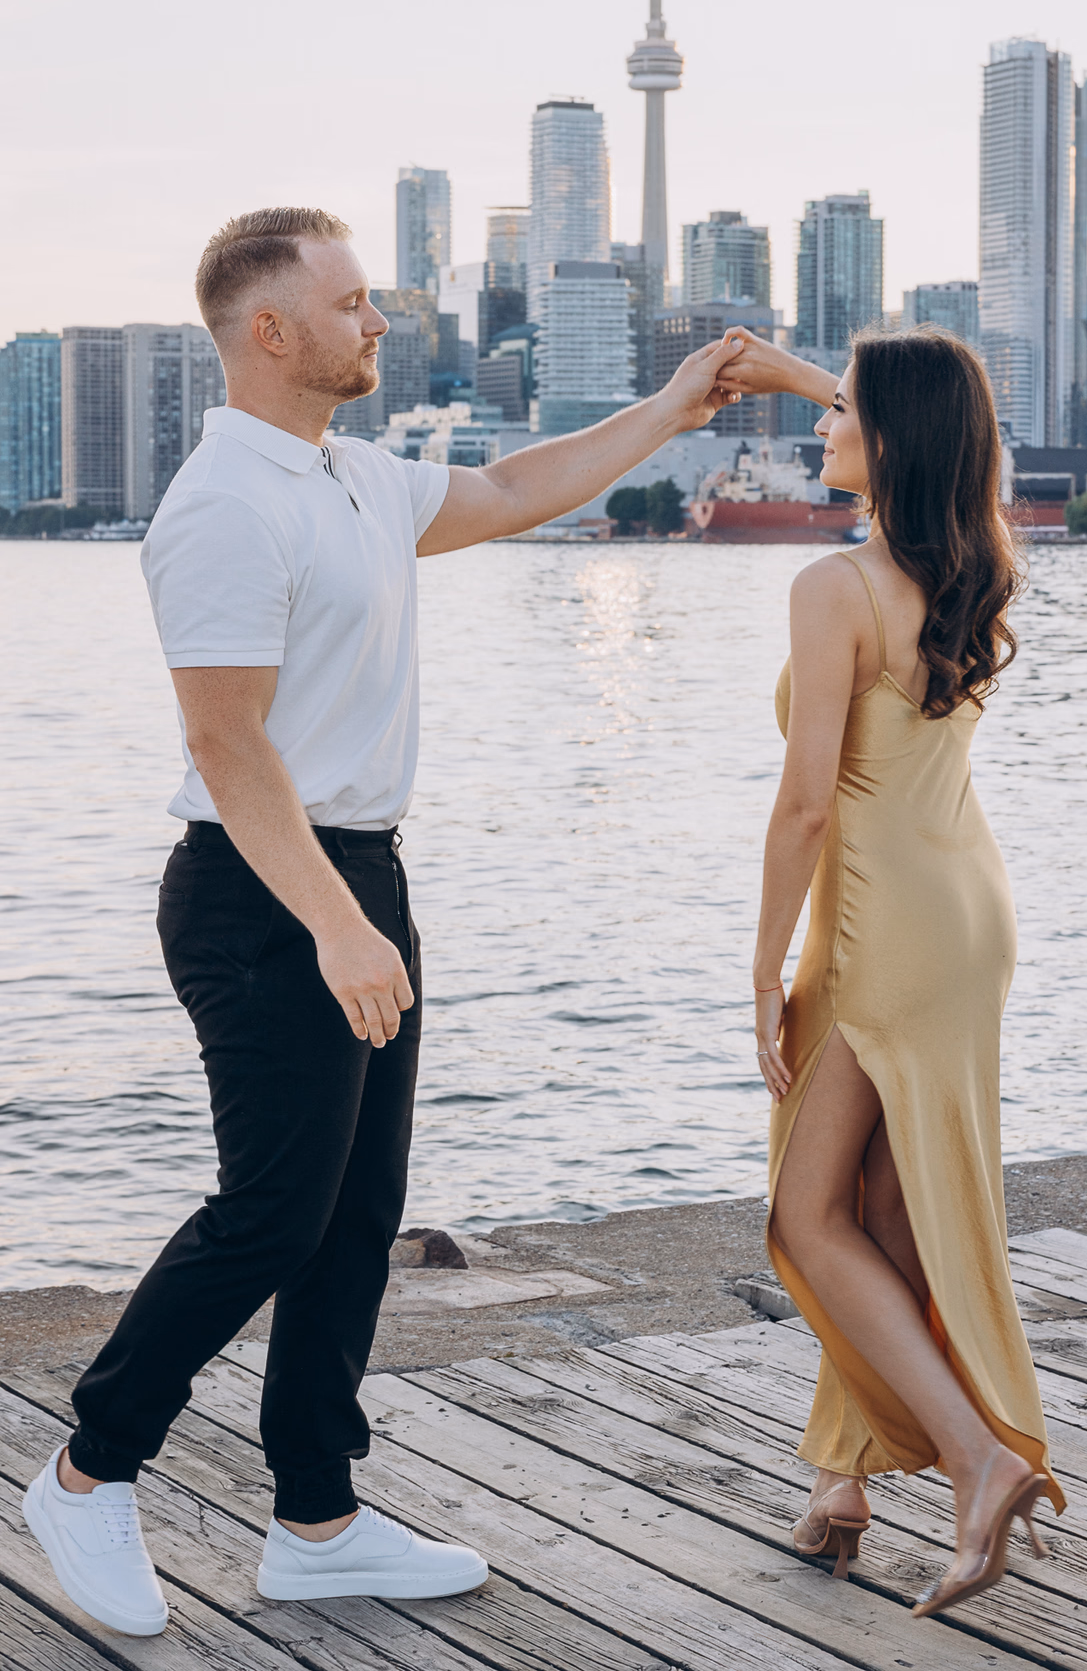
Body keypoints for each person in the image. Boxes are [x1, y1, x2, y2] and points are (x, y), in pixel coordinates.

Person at [23, 206, 755, 1638]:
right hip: (264, 892)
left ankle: (317, 1519)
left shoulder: (349, 475)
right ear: (272, 333)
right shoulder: (224, 504)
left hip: (361, 876)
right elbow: (229, 748)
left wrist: (672, 406)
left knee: (357, 1216)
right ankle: (88, 1464)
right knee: (272, 1213)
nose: (380, 324)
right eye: (354, 305)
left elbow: (512, 490)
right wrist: (336, 928)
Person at [717, 325, 1065, 1618]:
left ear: (890, 439)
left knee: (807, 1219)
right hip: (966, 913)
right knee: (880, 1209)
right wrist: (824, 378)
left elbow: (806, 806)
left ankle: (978, 1461)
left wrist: (763, 974)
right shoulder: (976, 560)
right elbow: (951, 421)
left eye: (838, 414)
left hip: (877, 929)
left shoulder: (834, 589)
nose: (820, 430)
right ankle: (841, 1478)